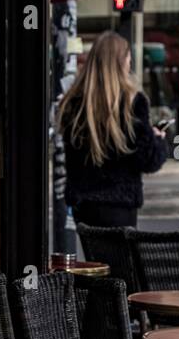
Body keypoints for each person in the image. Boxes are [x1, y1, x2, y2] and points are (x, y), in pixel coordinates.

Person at [58, 32, 168, 229]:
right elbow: (148, 159)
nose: (130, 64)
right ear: (121, 62)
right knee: (119, 260)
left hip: (84, 206)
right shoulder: (131, 103)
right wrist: (158, 140)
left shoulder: (74, 104)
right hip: (119, 205)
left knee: (95, 259)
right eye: (128, 59)